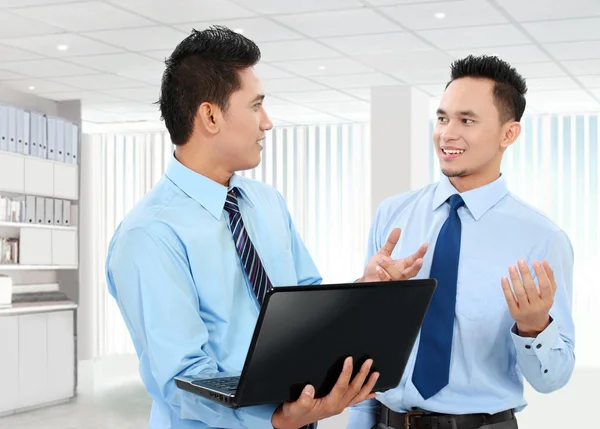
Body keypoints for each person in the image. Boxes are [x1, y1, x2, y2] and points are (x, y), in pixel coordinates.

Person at [105, 26, 427, 429]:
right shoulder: (149, 235)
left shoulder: (265, 202)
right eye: (256, 106)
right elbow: (181, 379)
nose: (268, 123)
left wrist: (363, 292)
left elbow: (305, 307)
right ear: (210, 115)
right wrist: (274, 419)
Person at [347, 55, 576, 429]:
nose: (446, 133)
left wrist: (535, 326)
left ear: (509, 134)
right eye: (442, 118)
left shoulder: (541, 239)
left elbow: (553, 378)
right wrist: (364, 295)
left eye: (466, 120)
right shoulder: (394, 215)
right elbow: (362, 347)